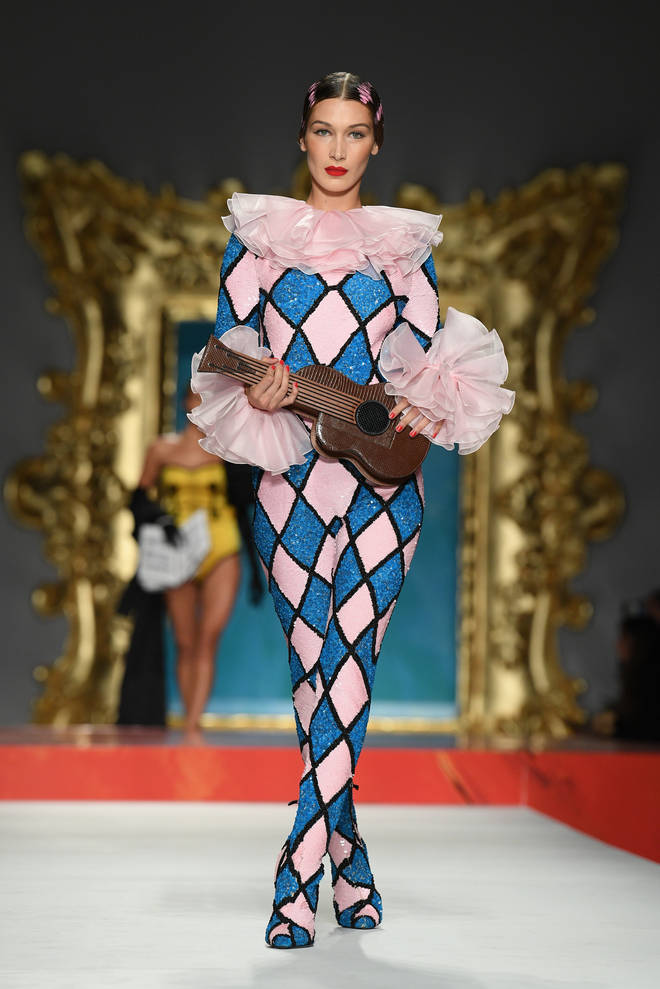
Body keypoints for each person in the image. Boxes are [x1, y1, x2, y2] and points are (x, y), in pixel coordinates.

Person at [190, 71, 514, 947]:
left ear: (375, 144)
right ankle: (350, 855)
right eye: (325, 132)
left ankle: (296, 874)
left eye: (355, 133)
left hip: (384, 485)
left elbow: (427, 367)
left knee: (351, 663)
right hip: (289, 478)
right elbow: (223, 356)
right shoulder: (258, 242)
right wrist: (255, 385)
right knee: (316, 674)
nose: (338, 150)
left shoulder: (400, 249)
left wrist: (416, 403)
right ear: (303, 139)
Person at [117, 386, 262, 742]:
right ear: (185, 402)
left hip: (221, 545)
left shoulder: (226, 449)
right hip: (177, 549)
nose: (201, 403)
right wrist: (156, 518)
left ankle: (193, 724)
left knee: (208, 636)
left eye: (207, 397)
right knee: (185, 639)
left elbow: (246, 503)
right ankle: (188, 719)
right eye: (196, 396)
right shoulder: (162, 450)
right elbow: (138, 497)